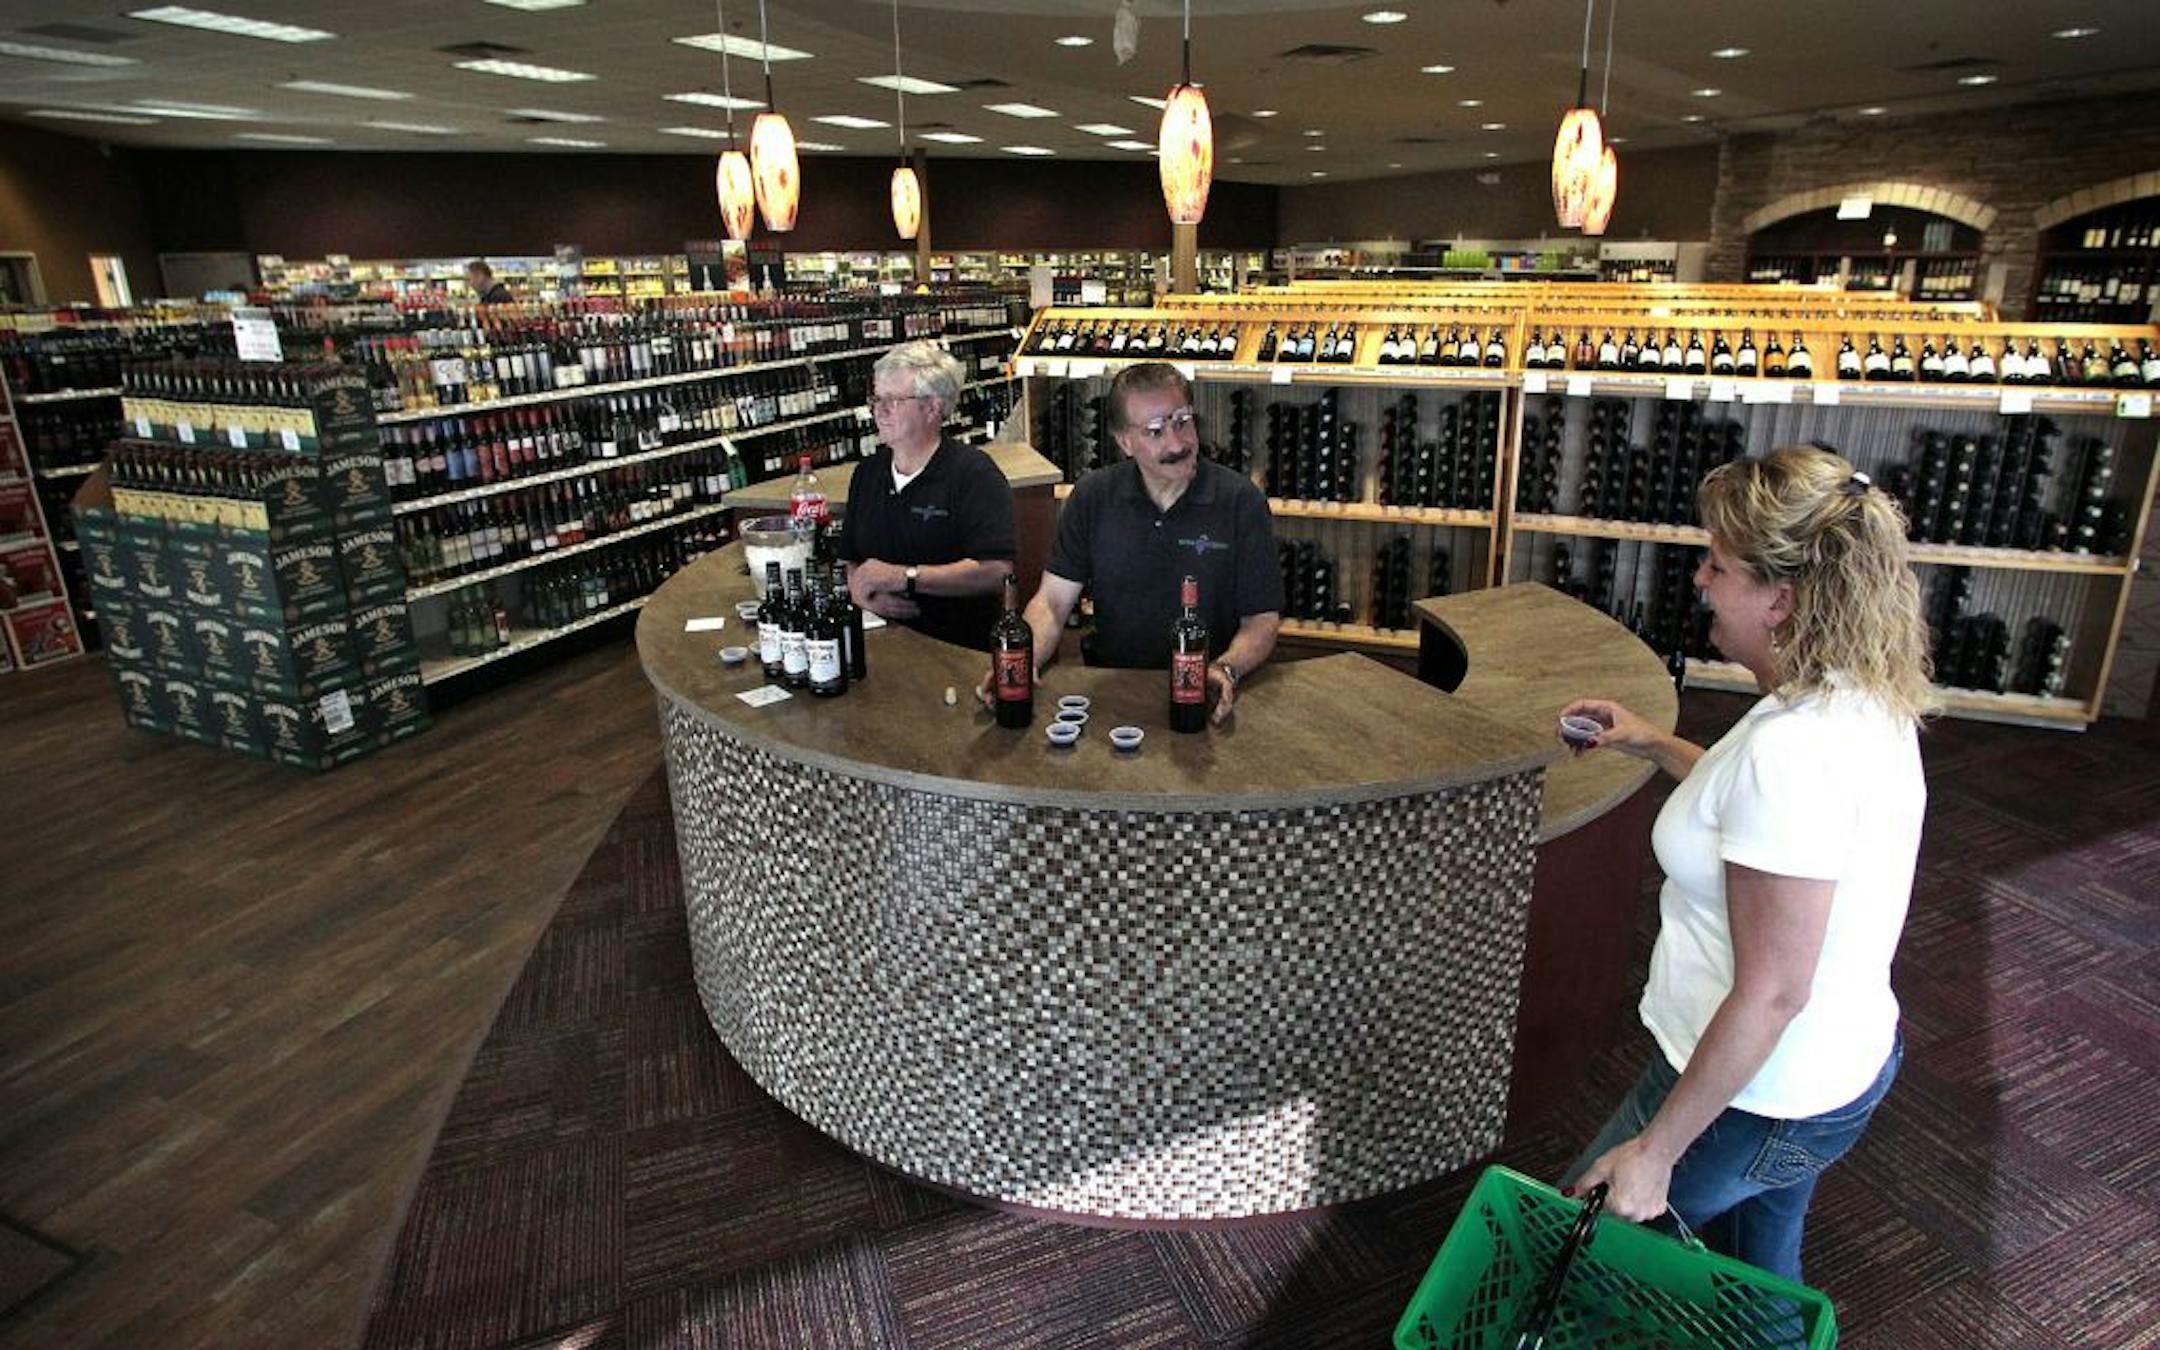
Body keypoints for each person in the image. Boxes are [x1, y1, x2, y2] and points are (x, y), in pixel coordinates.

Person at [1556, 446, 1934, 1283]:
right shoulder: (1855, 693)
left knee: (1567, 1255)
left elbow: (1773, 990)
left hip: (1757, 1096)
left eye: (1720, 566)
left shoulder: (1793, 751)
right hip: (1832, 1072)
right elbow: (1754, 820)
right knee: (1751, 1276)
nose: (1700, 579)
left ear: (1782, 601)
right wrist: (1649, 740)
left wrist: (1658, 1151)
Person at [988, 361, 1282, 724]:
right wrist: (1023, 658)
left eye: (1182, 421)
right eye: (1155, 431)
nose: (1178, 442)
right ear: (1124, 441)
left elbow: (1262, 619)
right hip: (1113, 693)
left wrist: (1226, 669)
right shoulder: (1092, 497)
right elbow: (1052, 601)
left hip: (1205, 695)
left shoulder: (1241, 501)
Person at [838, 341, 1016, 650]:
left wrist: (905, 577)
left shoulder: (974, 475)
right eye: (877, 399)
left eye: (893, 400)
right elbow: (851, 559)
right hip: (877, 648)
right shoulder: (866, 474)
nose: (879, 411)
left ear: (932, 407)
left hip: (955, 651)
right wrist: (857, 588)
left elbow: (997, 571)